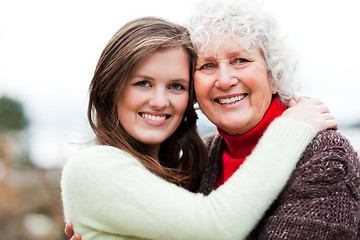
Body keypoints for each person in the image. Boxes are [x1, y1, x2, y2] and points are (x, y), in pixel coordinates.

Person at [61, 16, 338, 240]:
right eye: (142, 83)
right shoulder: (92, 166)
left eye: (176, 86)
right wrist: (291, 127)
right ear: (111, 88)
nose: (159, 101)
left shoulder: (187, 169)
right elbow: (216, 226)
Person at [185, 0, 360, 239]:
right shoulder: (197, 157)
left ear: (274, 75)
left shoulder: (326, 156)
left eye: (241, 60)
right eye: (207, 65)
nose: (224, 80)